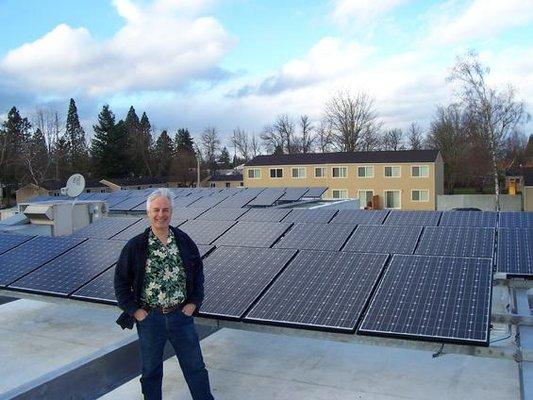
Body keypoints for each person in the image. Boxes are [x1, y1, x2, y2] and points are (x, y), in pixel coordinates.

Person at [114, 188, 214, 400]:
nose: (161, 214)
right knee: (151, 371)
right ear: (148, 212)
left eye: (166, 210)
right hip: (151, 319)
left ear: (171, 212)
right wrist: (135, 311)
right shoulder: (136, 246)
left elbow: (198, 273)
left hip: (181, 317)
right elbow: (121, 283)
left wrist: (194, 302)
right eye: (156, 210)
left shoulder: (183, 241)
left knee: (195, 367)